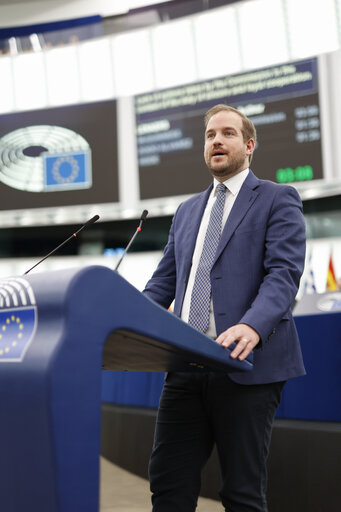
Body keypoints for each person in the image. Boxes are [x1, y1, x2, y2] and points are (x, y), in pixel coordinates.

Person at [143, 104, 306, 512]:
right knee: (167, 487)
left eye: (228, 133)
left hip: (246, 365)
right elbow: (163, 283)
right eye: (210, 134)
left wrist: (252, 326)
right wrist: (128, 318)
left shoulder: (277, 198)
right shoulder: (186, 211)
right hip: (185, 367)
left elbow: (283, 273)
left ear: (249, 145)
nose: (216, 140)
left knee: (242, 494)